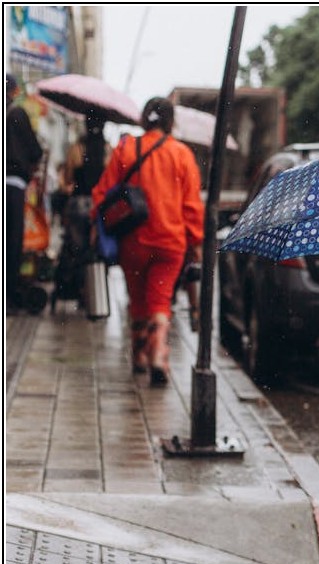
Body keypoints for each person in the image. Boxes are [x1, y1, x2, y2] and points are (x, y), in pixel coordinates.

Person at [92, 97, 204, 385]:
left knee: (138, 298)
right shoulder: (182, 154)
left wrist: (98, 224)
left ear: (144, 119)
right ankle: (158, 355)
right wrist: (195, 241)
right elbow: (192, 205)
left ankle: (139, 355)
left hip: (133, 239)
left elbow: (103, 193)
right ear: (170, 122)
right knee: (160, 299)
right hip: (171, 240)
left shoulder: (126, 149)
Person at [6, 73, 44, 312]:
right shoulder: (16, 114)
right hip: (12, 186)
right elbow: (35, 151)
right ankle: (7, 297)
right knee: (11, 243)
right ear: (14, 91)